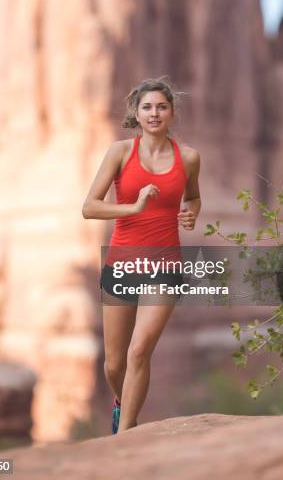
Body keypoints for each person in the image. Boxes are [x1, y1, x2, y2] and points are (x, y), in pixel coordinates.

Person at [82, 77, 201, 433]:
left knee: (139, 352)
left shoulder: (189, 158)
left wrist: (192, 212)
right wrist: (133, 207)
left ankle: (126, 433)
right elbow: (90, 207)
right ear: (136, 112)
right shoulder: (120, 152)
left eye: (161, 107)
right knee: (114, 365)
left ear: (172, 113)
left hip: (165, 264)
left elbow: (192, 196)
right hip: (122, 262)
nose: (154, 113)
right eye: (147, 107)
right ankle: (124, 404)